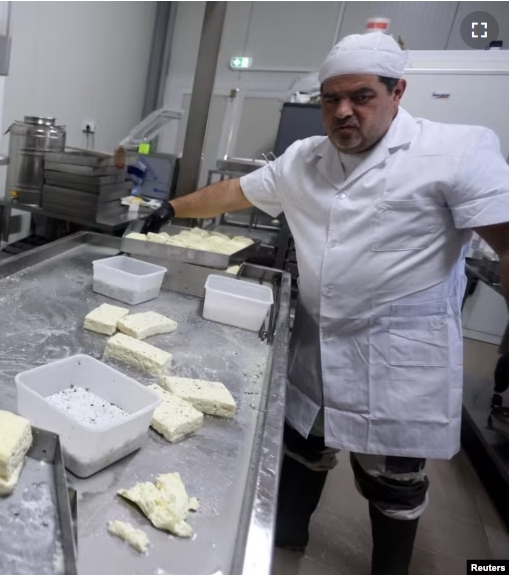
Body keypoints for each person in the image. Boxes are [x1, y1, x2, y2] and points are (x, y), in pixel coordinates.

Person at [143, 32, 508, 574]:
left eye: (361, 96)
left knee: (393, 481)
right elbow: (235, 192)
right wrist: (172, 208)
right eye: (330, 99)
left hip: (398, 360)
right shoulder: (303, 158)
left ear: (397, 91)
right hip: (319, 341)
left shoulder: (454, 150)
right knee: (301, 449)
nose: (343, 112)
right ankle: (285, 537)